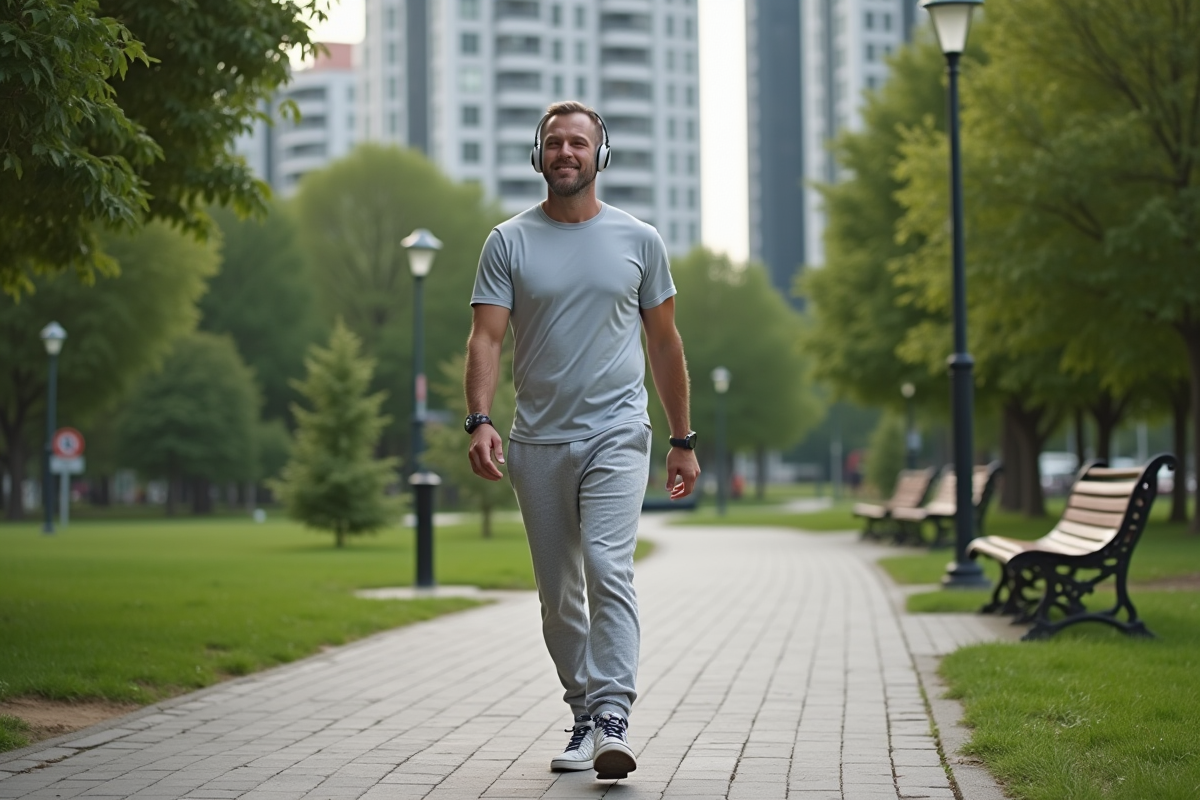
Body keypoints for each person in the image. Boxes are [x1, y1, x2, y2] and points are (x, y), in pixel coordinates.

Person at [463, 100, 701, 781]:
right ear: (538, 156)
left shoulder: (640, 240)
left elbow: (664, 343)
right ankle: (583, 712)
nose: (567, 152)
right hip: (537, 440)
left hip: (617, 433)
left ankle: (613, 716)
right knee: (558, 594)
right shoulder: (507, 241)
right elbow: (485, 336)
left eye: (579, 142)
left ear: (601, 155)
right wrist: (479, 419)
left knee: (607, 566)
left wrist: (682, 438)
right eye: (555, 143)